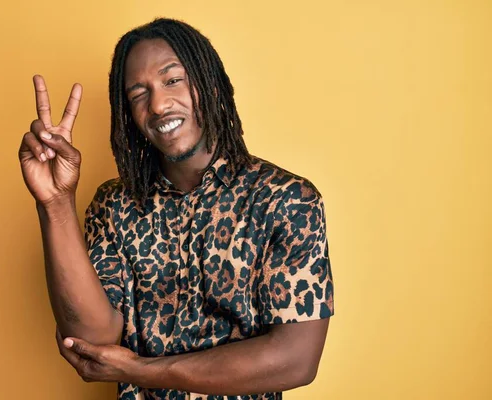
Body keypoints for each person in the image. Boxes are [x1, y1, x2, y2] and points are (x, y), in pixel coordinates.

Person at [18, 18, 334, 400]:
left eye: (173, 80)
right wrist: (56, 203)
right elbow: (91, 343)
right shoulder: (115, 205)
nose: (158, 104)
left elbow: (296, 359)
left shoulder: (286, 201)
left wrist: (141, 372)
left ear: (210, 82)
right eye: (138, 93)